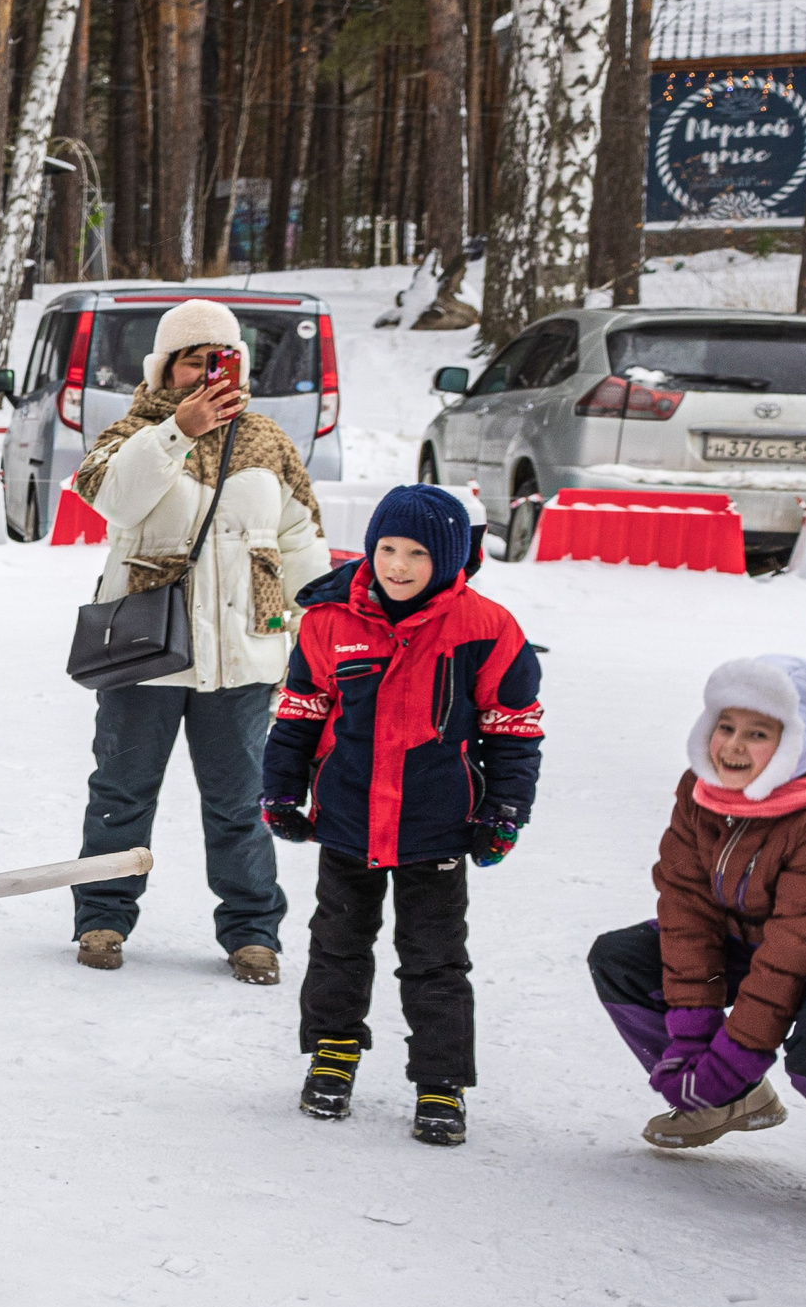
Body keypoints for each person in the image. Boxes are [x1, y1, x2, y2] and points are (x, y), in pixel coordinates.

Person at [260, 483, 543, 1146]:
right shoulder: (331, 622)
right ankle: (332, 1052)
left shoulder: (486, 628)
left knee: (436, 956)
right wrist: (281, 790)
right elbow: (301, 712)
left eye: (417, 553)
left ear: (446, 560)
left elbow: (514, 728)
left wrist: (505, 810)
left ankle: (441, 1082)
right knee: (337, 944)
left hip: (437, 824)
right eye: (387, 548)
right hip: (349, 818)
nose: (398, 565)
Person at [68, 298, 326, 984]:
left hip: (242, 656)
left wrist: (312, 634)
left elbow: (300, 542)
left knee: (241, 805)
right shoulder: (131, 434)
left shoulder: (269, 442)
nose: (208, 371)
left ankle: (252, 933)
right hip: (143, 656)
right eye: (192, 358)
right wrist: (177, 432)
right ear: (165, 368)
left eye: (222, 357)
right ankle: (102, 917)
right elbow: (115, 500)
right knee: (120, 794)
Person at [588, 655, 806, 1218]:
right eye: (726, 727)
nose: (733, 747)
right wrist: (692, 1039)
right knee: (622, 959)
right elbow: (688, 909)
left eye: (758, 734)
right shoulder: (703, 791)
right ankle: (733, 1103)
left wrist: (731, 1059)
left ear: (802, 739)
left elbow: (790, 955)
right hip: (753, 940)